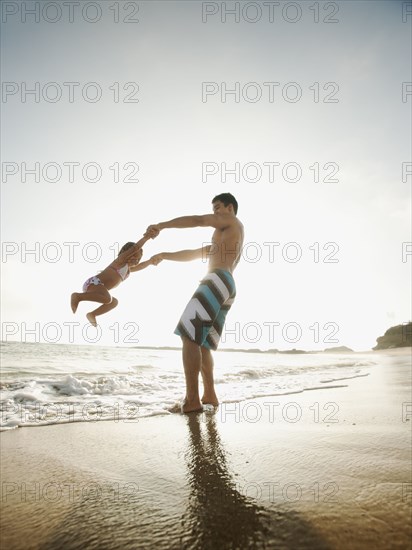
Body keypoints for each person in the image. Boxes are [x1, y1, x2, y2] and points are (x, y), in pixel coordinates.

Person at [148, 193, 244, 413]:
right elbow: (194, 254)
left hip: (216, 279)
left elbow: (198, 220)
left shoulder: (231, 222)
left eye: (218, 207)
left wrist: (162, 225)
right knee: (203, 343)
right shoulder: (226, 235)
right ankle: (209, 395)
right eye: (213, 209)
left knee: (188, 334)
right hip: (227, 285)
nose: (214, 213)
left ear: (230, 208)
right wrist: (164, 255)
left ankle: (191, 400)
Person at [71, 233, 155, 326]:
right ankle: (78, 296)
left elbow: (141, 266)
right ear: (125, 253)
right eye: (133, 256)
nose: (135, 260)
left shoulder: (128, 270)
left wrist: (150, 261)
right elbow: (136, 247)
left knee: (114, 302)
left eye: (138, 259)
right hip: (94, 283)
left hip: (99, 287)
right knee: (108, 299)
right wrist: (146, 238)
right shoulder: (120, 261)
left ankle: (92, 314)